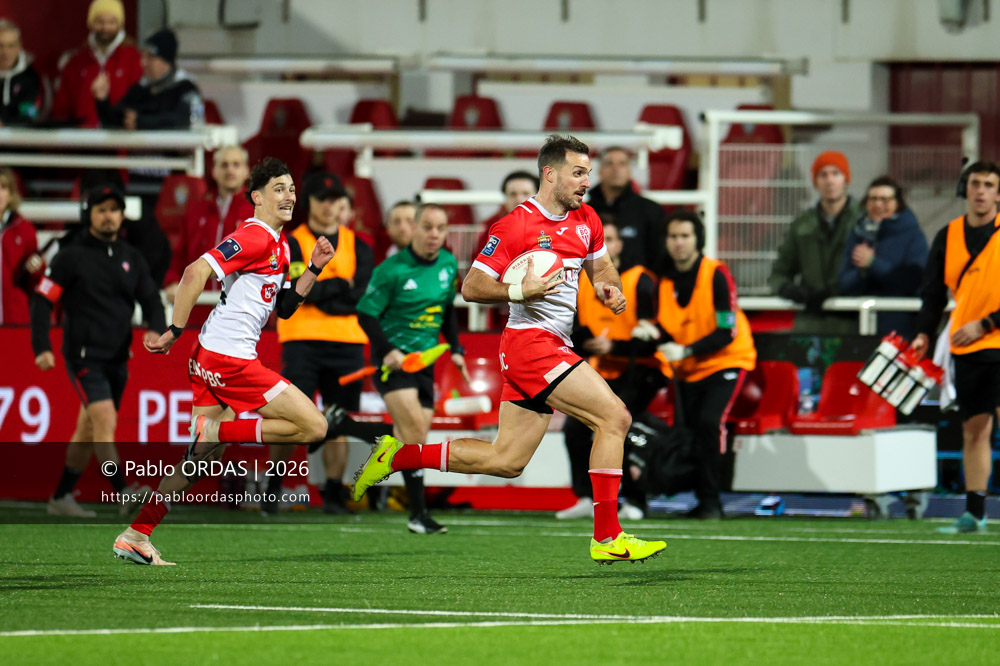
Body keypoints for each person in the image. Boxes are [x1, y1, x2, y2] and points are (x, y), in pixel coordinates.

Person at [352, 135, 666, 563]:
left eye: (588, 173)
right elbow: (472, 287)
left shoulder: (587, 218)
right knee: (615, 417)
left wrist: (608, 287)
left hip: (552, 345)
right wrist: (522, 287)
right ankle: (608, 536)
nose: (585, 182)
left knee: (506, 460)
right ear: (549, 174)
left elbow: (601, 266)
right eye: (578, 173)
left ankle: (399, 455)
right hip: (531, 345)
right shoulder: (514, 225)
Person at [112, 157, 332, 565]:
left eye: (291, 189)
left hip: (212, 354)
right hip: (228, 357)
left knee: (198, 457)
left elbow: (283, 307)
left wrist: (314, 269)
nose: (289, 196)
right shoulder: (254, 237)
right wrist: (174, 330)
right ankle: (223, 429)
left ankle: (136, 534)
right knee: (315, 426)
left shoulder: (280, 244)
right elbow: (195, 271)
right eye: (279, 189)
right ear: (256, 198)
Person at [30, 185, 165, 517]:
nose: (109, 216)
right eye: (101, 209)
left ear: (122, 215)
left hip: (119, 357)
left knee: (88, 430)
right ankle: (123, 492)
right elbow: (42, 300)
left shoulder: (131, 257)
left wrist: (156, 328)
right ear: (88, 214)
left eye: (114, 210)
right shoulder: (71, 256)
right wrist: (41, 347)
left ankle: (60, 497)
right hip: (84, 357)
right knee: (104, 420)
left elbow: (151, 299)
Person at [355, 203, 468, 534]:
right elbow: (365, 313)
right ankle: (419, 514)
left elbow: (447, 310)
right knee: (416, 433)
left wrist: (457, 348)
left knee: (411, 439)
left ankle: (347, 427)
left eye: (441, 228)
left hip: (426, 363)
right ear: (414, 229)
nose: (434, 234)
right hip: (395, 362)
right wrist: (387, 350)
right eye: (428, 227)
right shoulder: (392, 269)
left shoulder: (448, 264)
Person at [269, 174, 374, 515]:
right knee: (289, 420)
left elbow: (360, 296)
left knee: (337, 420)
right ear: (309, 201)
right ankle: (273, 488)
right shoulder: (292, 242)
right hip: (303, 341)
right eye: (321, 198)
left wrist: (321, 290)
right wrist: (338, 286)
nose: (328, 206)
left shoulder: (359, 243)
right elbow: (295, 291)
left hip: (348, 343)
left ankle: (332, 492)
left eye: (333, 199)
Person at [912, 161, 1000, 534]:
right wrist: (923, 334)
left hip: (990, 336)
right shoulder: (947, 236)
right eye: (976, 183)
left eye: (989, 184)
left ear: (998, 193)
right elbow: (932, 294)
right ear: (965, 188)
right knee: (974, 430)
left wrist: (986, 323)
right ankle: (975, 512)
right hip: (967, 346)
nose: (981, 191)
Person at [557, 219, 664, 521]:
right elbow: (573, 331)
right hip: (600, 370)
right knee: (574, 430)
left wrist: (614, 348)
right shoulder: (577, 281)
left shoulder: (640, 280)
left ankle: (636, 499)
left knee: (619, 426)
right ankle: (585, 496)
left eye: (610, 239)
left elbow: (656, 337)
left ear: (617, 245)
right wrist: (588, 344)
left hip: (641, 370)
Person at [655, 211, 756, 519]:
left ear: (698, 240)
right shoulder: (663, 279)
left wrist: (685, 350)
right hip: (688, 366)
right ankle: (699, 498)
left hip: (726, 359)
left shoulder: (716, 274)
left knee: (710, 423)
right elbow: (665, 324)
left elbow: (727, 331)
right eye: (673, 236)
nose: (679, 243)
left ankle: (713, 502)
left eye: (685, 236)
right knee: (689, 429)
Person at [769, 150, 863, 334]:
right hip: (810, 323)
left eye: (836, 173)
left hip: (853, 323)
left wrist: (836, 291)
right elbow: (779, 273)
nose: (830, 181)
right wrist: (787, 289)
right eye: (823, 175)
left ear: (846, 179)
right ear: (815, 182)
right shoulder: (802, 225)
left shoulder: (863, 222)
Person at [837, 175, 928, 338]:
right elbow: (843, 283)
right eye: (873, 199)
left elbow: (913, 280)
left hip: (900, 331)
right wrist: (862, 273)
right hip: (861, 330)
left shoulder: (913, 235)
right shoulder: (857, 234)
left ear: (897, 203)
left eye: (885, 200)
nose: (878, 205)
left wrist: (873, 263)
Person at [163, 145, 253, 304]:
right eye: (224, 165)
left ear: (246, 171)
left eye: (236, 165)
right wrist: (172, 281)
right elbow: (180, 256)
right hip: (198, 307)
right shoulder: (196, 211)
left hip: (241, 310)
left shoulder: (258, 211)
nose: (230, 170)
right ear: (214, 171)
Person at [51, 0, 142, 128]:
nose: (105, 27)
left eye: (112, 22)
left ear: (120, 24)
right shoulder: (76, 62)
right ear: (91, 23)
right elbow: (61, 110)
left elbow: (140, 105)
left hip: (120, 140)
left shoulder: (134, 59)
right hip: (82, 141)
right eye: (100, 22)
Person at [94, 28, 202, 130]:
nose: (143, 63)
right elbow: (114, 122)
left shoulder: (186, 88)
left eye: (150, 57)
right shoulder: (141, 89)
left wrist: (142, 122)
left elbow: (186, 121)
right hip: (143, 149)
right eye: (143, 56)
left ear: (166, 61)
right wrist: (103, 100)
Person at [586, 146, 667, 271]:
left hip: (638, 287)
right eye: (609, 163)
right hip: (591, 287)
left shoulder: (651, 211)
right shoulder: (584, 212)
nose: (616, 169)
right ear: (599, 170)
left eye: (622, 164)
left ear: (629, 171)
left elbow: (660, 257)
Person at [1, 167, 44, 325]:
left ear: (11, 193)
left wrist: (36, 268)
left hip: (15, 317)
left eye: (3, 187)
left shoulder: (24, 229)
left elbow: (37, 279)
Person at [470, 171, 540, 265]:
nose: (519, 199)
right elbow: (478, 266)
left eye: (525, 193)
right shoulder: (493, 227)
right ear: (505, 197)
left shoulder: (552, 224)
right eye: (512, 194)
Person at [0, 19, 44, 126]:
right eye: (0, 46)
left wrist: (5, 124)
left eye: (11, 46)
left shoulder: (30, 76)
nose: (6, 52)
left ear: (19, 46)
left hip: (21, 138)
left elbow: (31, 112)